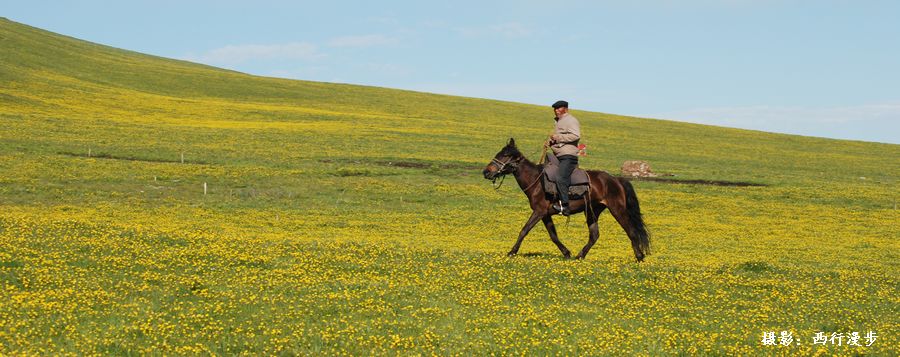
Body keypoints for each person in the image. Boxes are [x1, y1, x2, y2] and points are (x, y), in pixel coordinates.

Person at [546, 100, 581, 215]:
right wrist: (551, 142)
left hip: (568, 156)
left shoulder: (571, 120)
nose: (556, 111)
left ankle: (565, 206)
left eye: (558, 108)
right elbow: (559, 138)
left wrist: (558, 137)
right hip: (558, 155)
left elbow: (576, 136)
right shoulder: (559, 122)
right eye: (555, 109)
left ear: (565, 109)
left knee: (560, 177)